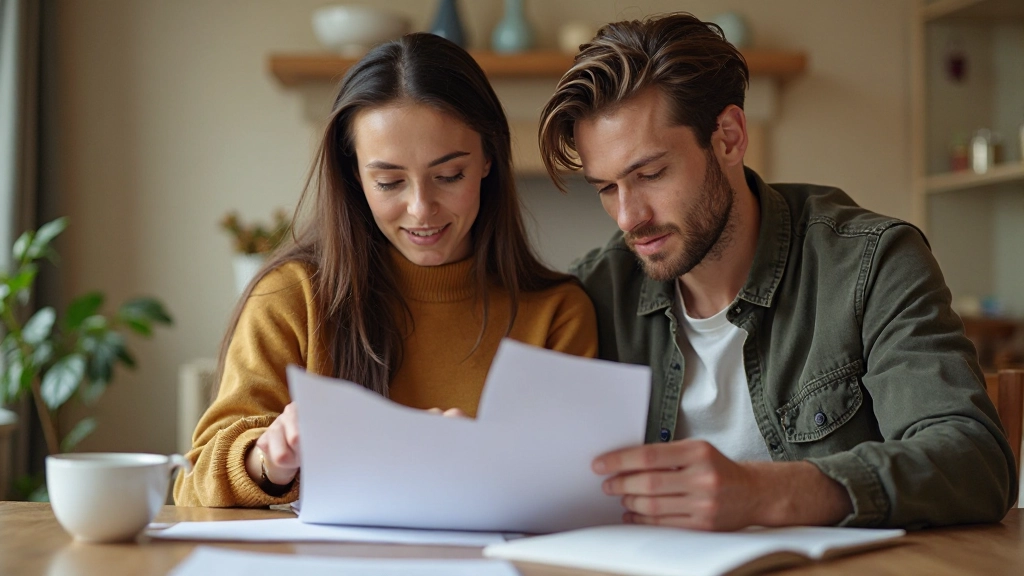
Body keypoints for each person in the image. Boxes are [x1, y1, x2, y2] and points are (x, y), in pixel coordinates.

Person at [538, 12, 1017, 530]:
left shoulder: (870, 264)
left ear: (728, 137)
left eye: (650, 173)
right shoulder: (593, 293)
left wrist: (767, 493)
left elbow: (974, 462)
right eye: (606, 189)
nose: (629, 217)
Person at [175, 33, 598, 507]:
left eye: (449, 175)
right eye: (389, 181)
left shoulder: (558, 314)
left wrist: (486, 459)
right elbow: (193, 483)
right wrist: (272, 457)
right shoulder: (292, 298)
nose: (421, 209)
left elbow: (577, 494)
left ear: (488, 159)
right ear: (355, 174)